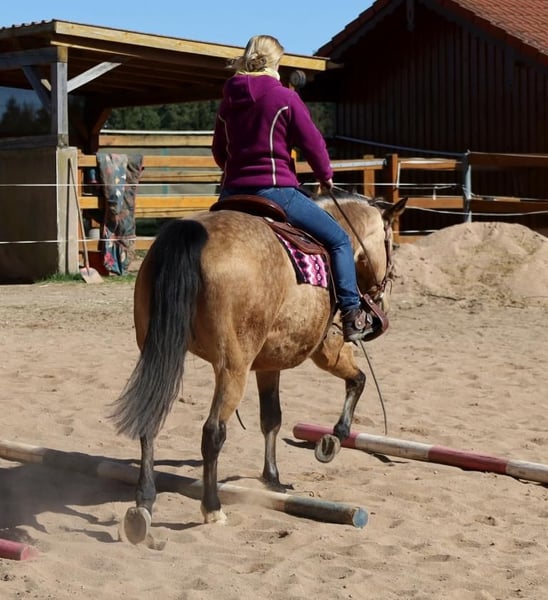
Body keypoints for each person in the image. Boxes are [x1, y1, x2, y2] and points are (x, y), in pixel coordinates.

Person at [211, 34, 381, 342]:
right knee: (340, 240)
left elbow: (219, 152)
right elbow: (312, 142)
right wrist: (325, 174)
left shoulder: (228, 101)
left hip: (231, 194)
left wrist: (235, 171)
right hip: (276, 191)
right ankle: (351, 314)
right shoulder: (285, 98)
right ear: (275, 62)